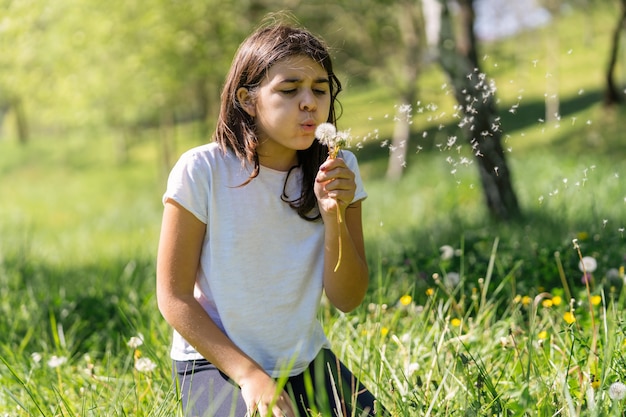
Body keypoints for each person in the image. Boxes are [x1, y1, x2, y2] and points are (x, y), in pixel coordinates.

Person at [156, 18, 386, 417]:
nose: (309, 103)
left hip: (304, 360)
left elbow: (347, 299)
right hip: (216, 362)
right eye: (289, 89)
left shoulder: (339, 169)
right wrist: (250, 376)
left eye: (320, 88)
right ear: (247, 99)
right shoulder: (203, 170)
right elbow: (172, 297)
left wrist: (335, 216)